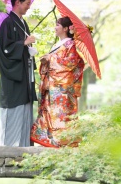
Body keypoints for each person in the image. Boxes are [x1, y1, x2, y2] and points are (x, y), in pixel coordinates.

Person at [30, 16, 85, 147]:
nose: (55, 27)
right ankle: (51, 140)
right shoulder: (57, 45)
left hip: (63, 88)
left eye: (57, 25)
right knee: (50, 112)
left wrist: (51, 59)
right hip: (52, 85)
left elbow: (71, 63)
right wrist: (45, 61)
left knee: (62, 115)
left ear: (66, 28)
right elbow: (52, 62)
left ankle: (66, 142)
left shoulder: (71, 44)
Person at [0, 0, 38, 147]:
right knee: (14, 112)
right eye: (27, 3)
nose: (29, 6)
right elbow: (4, 50)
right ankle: (8, 151)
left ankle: (24, 149)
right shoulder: (7, 23)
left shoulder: (22, 23)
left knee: (26, 112)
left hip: (25, 76)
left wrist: (29, 49)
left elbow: (22, 48)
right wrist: (23, 43)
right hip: (14, 79)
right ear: (17, 2)